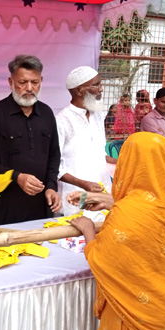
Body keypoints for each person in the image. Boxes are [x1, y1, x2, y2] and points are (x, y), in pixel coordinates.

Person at [66, 132, 165, 330]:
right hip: (161, 307)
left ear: (128, 163)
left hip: (129, 313)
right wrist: (110, 204)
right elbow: (148, 225)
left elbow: (102, 259)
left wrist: (87, 229)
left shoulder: (129, 210)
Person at [0, 54, 62, 226]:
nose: (29, 88)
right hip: (2, 207)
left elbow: (54, 154)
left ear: (41, 81)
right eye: (23, 82)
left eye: (35, 82)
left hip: (40, 208)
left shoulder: (47, 113)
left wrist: (51, 186)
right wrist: (17, 177)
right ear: (11, 82)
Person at [56, 65, 111, 217]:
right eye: (96, 85)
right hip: (75, 195)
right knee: (78, 235)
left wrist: (117, 162)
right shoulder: (62, 121)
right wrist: (83, 184)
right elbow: (54, 166)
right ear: (79, 90)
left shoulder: (98, 116)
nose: (101, 89)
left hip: (102, 193)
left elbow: (98, 152)